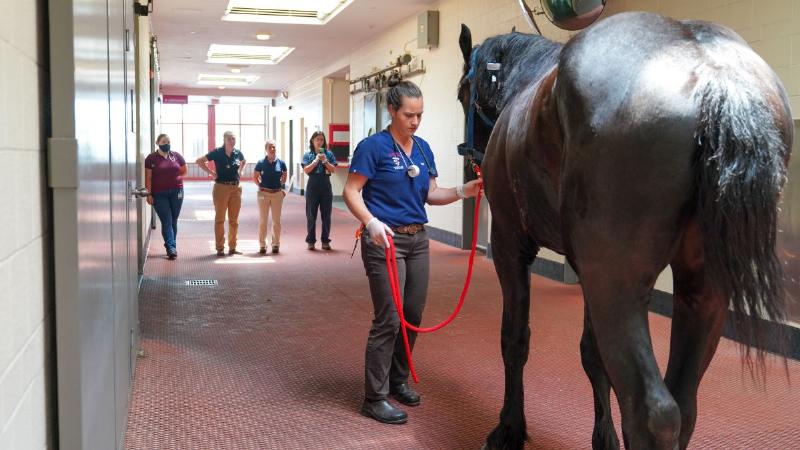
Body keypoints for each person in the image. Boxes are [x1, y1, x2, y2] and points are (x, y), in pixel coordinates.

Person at [343, 80, 482, 424]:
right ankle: (374, 398)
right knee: (389, 318)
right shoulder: (372, 147)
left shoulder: (422, 149)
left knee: (412, 315)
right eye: (409, 115)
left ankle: (397, 380)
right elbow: (351, 191)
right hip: (384, 240)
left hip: (418, 240)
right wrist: (370, 221)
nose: (415, 121)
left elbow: (430, 194)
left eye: (420, 115)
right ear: (392, 111)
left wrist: (464, 191)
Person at [196, 130, 246, 256]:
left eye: (233, 138)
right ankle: (220, 248)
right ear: (224, 140)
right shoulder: (217, 152)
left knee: (234, 220)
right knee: (220, 219)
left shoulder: (237, 153)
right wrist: (212, 173)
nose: (232, 141)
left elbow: (244, 161)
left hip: (235, 188)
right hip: (221, 188)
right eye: (229, 139)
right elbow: (199, 161)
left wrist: (240, 172)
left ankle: (233, 247)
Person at [145, 133, 187, 260]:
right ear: (157, 143)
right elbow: (148, 177)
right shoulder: (151, 158)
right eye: (163, 142)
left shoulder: (177, 156)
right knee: (167, 220)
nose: (166, 144)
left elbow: (184, 171)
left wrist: (175, 179)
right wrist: (148, 194)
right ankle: (171, 247)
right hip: (159, 194)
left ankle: (171, 246)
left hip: (177, 192)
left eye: (168, 141)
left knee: (173, 219)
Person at [301, 131, 337, 250]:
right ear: (312, 141)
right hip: (312, 186)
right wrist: (316, 160)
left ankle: (325, 240)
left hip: (326, 186)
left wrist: (325, 161)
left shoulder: (329, 154)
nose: (320, 142)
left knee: (326, 215)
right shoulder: (308, 155)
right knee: (311, 215)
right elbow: (306, 170)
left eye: (322, 139)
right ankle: (311, 240)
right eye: (317, 139)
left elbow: (333, 169)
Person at [253, 139, 288, 254]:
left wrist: (282, 186)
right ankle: (262, 244)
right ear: (266, 149)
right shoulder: (260, 162)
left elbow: (284, 176)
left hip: (277, 194)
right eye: (270, 147)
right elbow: (255, 176)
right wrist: (261, 186)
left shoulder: (281, 163)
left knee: (276, 221)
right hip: (263, 194)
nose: (272, 149)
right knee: (263, 220)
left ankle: (275, 244)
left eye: (274, 147)